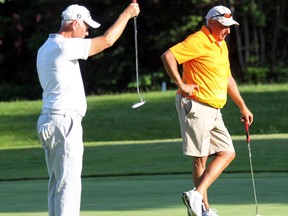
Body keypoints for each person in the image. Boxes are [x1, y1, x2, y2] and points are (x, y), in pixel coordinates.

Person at [36, 3, 140, 216]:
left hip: (49, 119)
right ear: (74, 23)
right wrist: (126, 15)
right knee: (69, 185)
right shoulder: (63, 46)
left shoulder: (45, 47)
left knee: (58, 183)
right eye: (85, 27)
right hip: (64, 121)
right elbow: (108, 40)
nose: (87, 32)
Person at [161, 5, 253, 216]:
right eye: (223, 26)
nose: (228, 31)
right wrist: (180, 84)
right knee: (200, 159)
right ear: (211, 22)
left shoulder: (221, 45)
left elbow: (227, 78)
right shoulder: (198, 40)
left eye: (230, 27)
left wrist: (243, 106)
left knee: (227, 152)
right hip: (196, 105)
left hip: (215, 108)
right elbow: (168, 56)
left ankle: (197, 194)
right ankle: (204, 209)